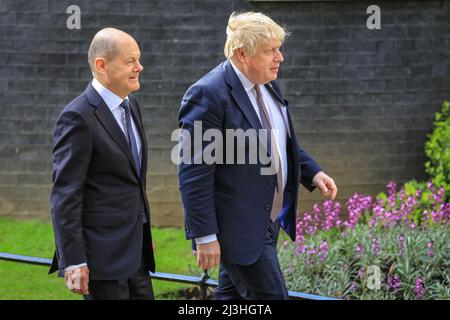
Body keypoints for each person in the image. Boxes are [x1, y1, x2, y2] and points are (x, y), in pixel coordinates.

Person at [177, 12, 338, 300]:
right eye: (270, 51)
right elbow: (194, 174)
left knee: (231, 299)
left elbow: (278, 142)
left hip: (267, 218)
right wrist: (205, 237)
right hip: (238, 227)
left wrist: (311, 171)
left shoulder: (268, 83)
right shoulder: (207, 95)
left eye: (279, 48)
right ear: (242, 54)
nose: (280, 57)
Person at [49, 28, 155, 300]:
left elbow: (131, 181)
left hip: (137, 256)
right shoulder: (77, 117)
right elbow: (65, 195)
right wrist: (73, 260)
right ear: (101, 65)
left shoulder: (132, 105)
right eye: (130, 61)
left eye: (139, 59)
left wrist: (143, 232)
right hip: (101, 262)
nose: (139, 67)